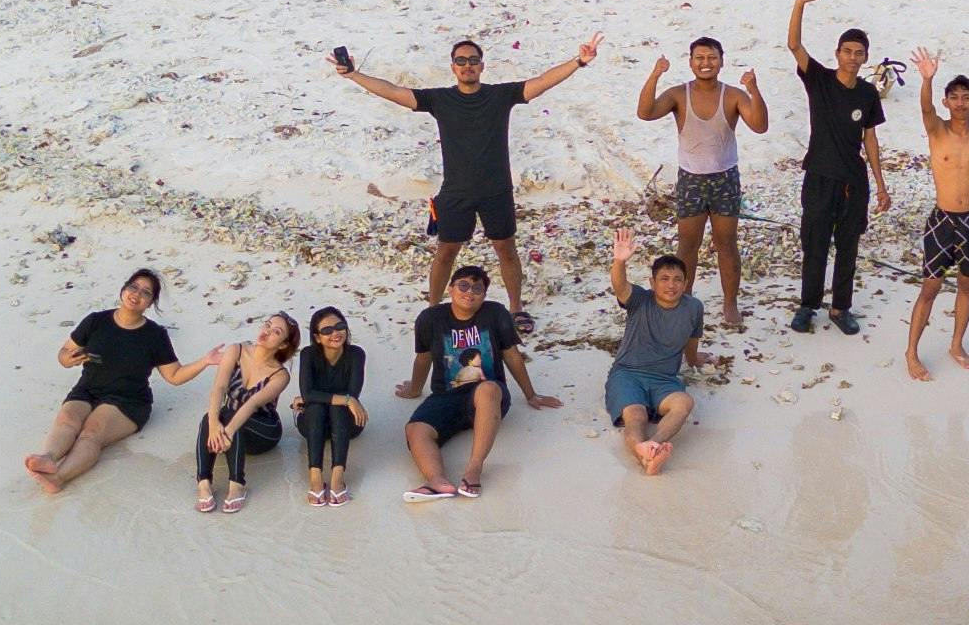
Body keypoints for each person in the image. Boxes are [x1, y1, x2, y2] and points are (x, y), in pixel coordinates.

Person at [329, 32, 600, 311]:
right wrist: (353, 75)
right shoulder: (440, 99)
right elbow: (394, 92)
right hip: (455, 192)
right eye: (461, 61)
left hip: (497, 191)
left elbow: (541, 82)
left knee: (506, 250)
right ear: (453, 67)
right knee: (446, 252)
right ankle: (433, 311)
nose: (467, 65)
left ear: (482, 66)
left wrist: (578, 61)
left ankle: (515, 308)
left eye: (473, 60)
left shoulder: (500, 95)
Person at [636, 36, 770, 330]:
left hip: (725, 178)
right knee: (688, 245)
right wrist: (655, 74)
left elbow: (760, 126)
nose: (705, 63)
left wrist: (753, 89)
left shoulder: (732, 95)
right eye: (699, 58)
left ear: (721, 61)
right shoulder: (678, 94)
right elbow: (645, 113)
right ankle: (683, 302)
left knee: (727, 243)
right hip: (691, 179)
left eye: (711, 58)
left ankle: (730, 303)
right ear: (691, 62)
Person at [785, 0, 892, 334]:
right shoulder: (819, 79)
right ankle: (807, 305)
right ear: (837, 53)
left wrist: (881, 184)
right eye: (847, 51)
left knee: (848, 247)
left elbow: (870, 139)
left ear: (866, 57)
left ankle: (840, 308)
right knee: (814, 244)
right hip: (819, 176)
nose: (852, 57)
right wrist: (800, 3)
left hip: (853, 181)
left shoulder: (868, 93)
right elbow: (794, 44)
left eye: (859, 53)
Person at [403, 262, 553, 500]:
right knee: (416, 429)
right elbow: (423, 358)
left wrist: (531, 394)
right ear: (450, 289)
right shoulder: (430, 318)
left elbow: (511, 355)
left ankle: (474, 469)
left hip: (489, 397)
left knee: (487, 389)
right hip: (446, 395)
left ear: (484, 295)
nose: (469, 292)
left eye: (477, 288)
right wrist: (414, 389)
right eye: (463, 286)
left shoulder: (495, 313)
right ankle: (437, 481)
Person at [903, 52, 969, 381]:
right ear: (946, 102)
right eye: (954, 97)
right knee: (930, 288)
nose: (960, 103)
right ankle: (911, 352)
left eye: (966, 98)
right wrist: (927, 79)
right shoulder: (937, 131)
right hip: (942, 220)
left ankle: (956, 345)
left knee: (966, 285)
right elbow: (925, 109)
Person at [27, 268, 172, 489]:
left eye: (145, 292)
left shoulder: (155, 335)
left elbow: (174, 375)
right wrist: (68, 359)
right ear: (123, 289)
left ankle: (59, 477)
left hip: (128, 399)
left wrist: (206, 361)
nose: (136, 294)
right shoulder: (96, 321)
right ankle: (49, 457)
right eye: (133, 287)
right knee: (67, 419)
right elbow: (64, 353)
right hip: (88, 389)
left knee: (91, 432)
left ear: (151, 302)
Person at [163, 312, 299, 513]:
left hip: (263, 430)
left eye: (276, 332)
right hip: (230, 421)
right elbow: (219, 387)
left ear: (283, 345)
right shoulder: (236, 350)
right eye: (267, 325)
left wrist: (227, 431)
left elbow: (253, 403)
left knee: (229, 416)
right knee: (210, 416)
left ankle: (237, 484)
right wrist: (213, 424)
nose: (267, 331)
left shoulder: (280, 375)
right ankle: (203, 483)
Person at [603, 222, 707, 473]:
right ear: (652, 282)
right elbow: (620, 286)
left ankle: (653, 446)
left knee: (684, 403)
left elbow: (692, 338)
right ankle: (647, 453)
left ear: (686, 282)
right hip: (627, 374)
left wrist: (694, 359)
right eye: (664, 279)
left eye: (677, 280)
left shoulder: (694, 307)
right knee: (636, 417)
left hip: (664, 379)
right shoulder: (640, 300)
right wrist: (619, 261)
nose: (671, 285)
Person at [296, 305, 370, 506]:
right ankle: (315, 478)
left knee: (337, 407)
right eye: (327, 330)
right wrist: (347, 400)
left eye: (340, 327)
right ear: (317, 337)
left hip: (347, 424)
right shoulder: (308, 354)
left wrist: (346, 400)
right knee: (317, 408)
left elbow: (352, 393)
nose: (335, 333)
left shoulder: (356, 354)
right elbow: (308, 394)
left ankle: (338, 477)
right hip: (313, 424)